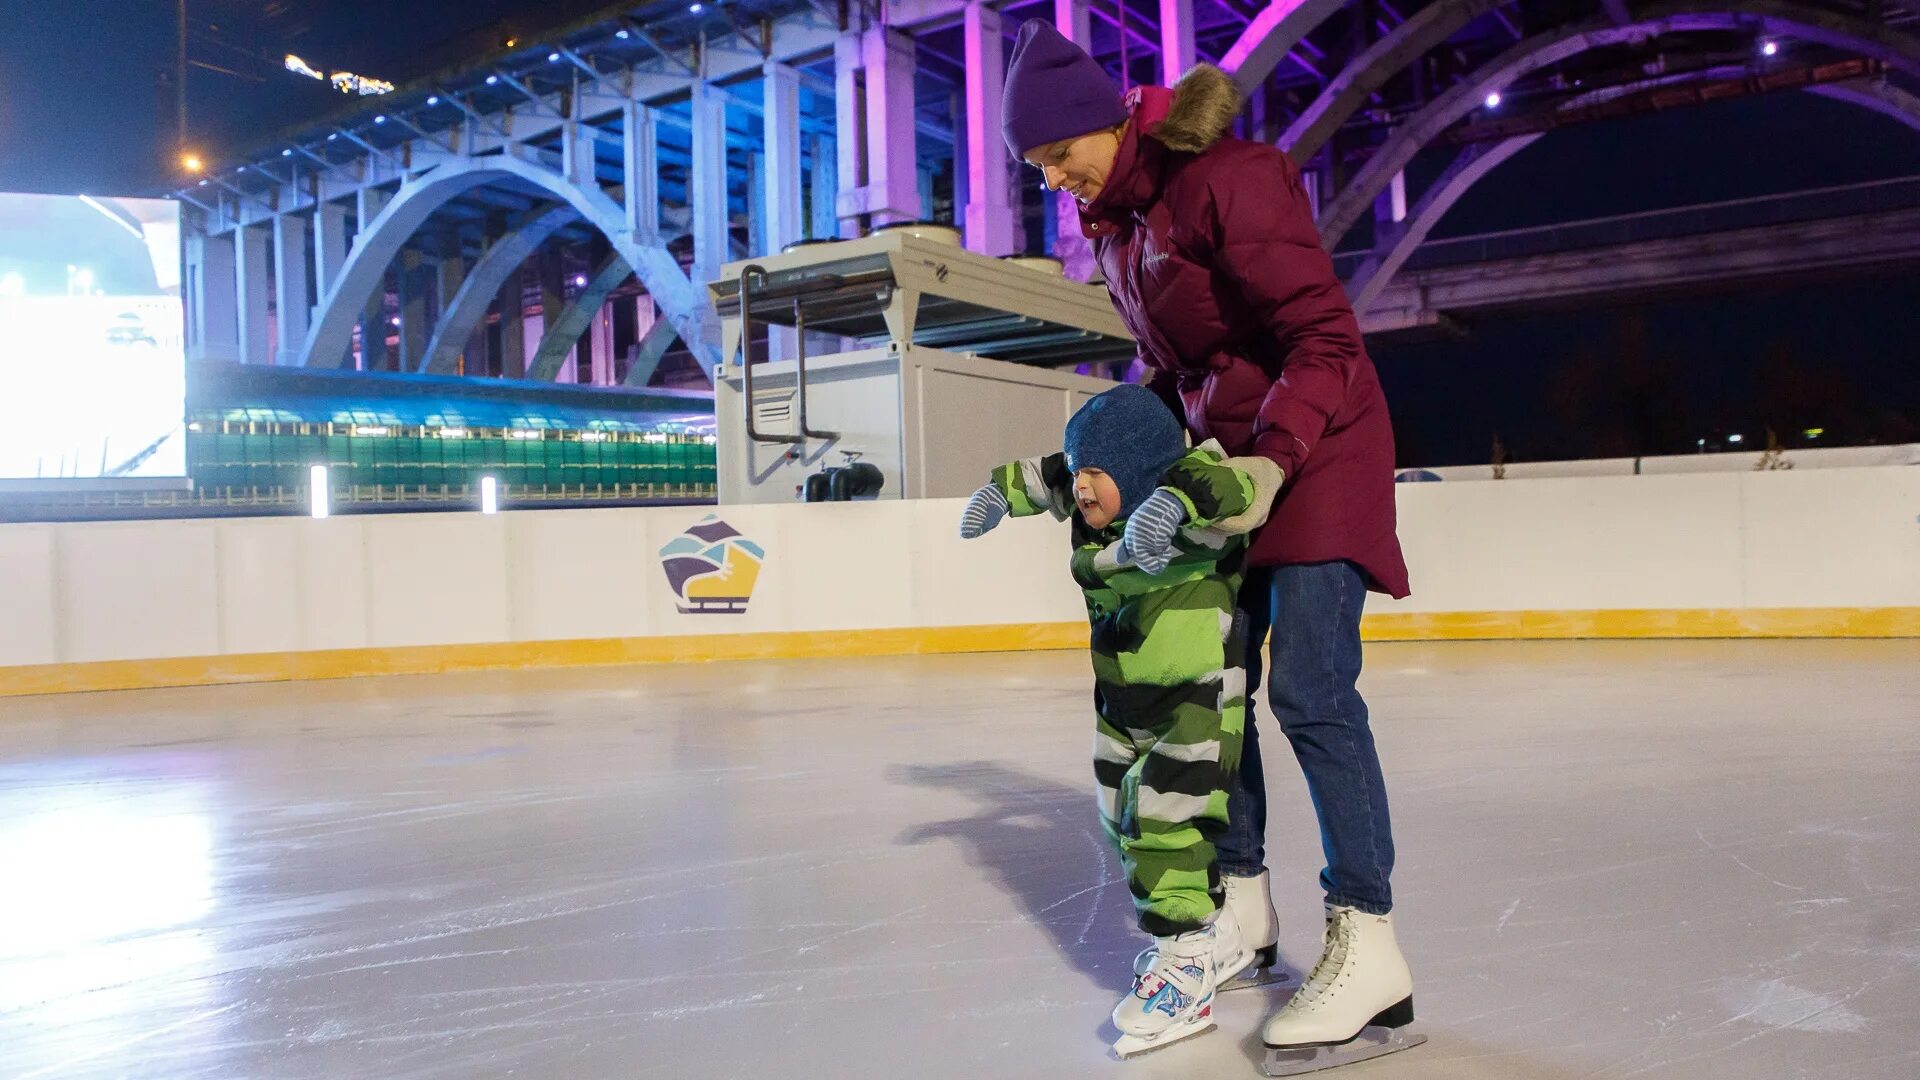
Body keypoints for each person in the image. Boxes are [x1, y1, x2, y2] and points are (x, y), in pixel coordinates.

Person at [998, 20, 1420, 1073]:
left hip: (1318, 453)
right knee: (1210, 685)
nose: (1056, 181)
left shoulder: (1232, 179)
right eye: (1041, 170)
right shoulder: (1120, 227)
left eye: (1060, 157)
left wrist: (1274, 461)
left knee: (1312, 690)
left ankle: (1368, 944)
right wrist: (1092, 467)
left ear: (1103, 118)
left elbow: (1325, 340)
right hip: (1221, 474)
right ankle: (1243, 910)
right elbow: (1171, 381)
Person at [958, 384, 1283, 1058]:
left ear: (1141, 476)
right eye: (1080, 475)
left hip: (1192, 701)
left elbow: (1248, 486)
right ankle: (1199, 933)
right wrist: (999, 493)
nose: (1080, 490)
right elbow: (1044, 475)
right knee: (1121, 814)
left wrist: (1175, 502)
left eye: (1096, 478)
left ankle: (1188, 957)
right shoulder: (1091, 502)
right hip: (1121, 700)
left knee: (1166, 822)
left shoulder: (1190, 497)